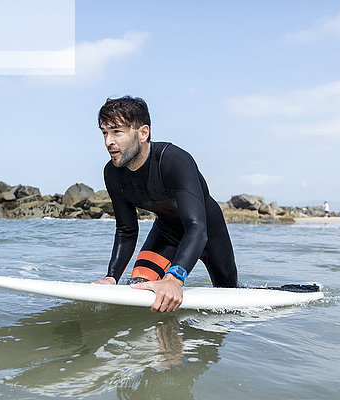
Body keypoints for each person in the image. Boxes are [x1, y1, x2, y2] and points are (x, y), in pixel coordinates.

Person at [93, 96, 238, 313]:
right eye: (104, 132)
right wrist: (111, 277)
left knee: (229, 299)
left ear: (143, 133)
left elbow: (197, 226)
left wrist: (174, 279)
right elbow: (126, 230)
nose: (108, 142)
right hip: (167, 234)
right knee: (140, 290)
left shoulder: (173, 161)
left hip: (206, 231)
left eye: (117, 132)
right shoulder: (113, 173)